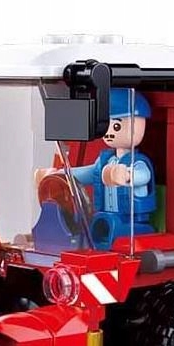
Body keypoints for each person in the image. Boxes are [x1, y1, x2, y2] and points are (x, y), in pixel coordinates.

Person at [39, 88, 155, 250]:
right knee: (89, 238)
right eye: (106, 126)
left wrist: (127, 175)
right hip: (103, 219)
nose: (109, 133)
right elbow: (83, 174)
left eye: (116, 126)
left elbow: (143, 176)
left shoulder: (138, 162)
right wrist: (57, 174)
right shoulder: (105, 161)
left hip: (132, 223)